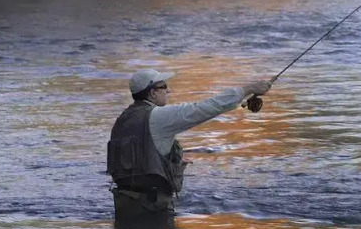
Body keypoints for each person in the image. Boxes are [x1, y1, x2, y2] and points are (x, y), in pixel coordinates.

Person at [106, 69, 274, 214]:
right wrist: (248, 89)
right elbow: (203, 108)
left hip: (124, 207)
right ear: (152, 93)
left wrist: (169, 164)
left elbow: (137, 160)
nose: (169, 90)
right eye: (164, 86)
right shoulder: (158, 117)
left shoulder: (123, 120)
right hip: (153, 211)